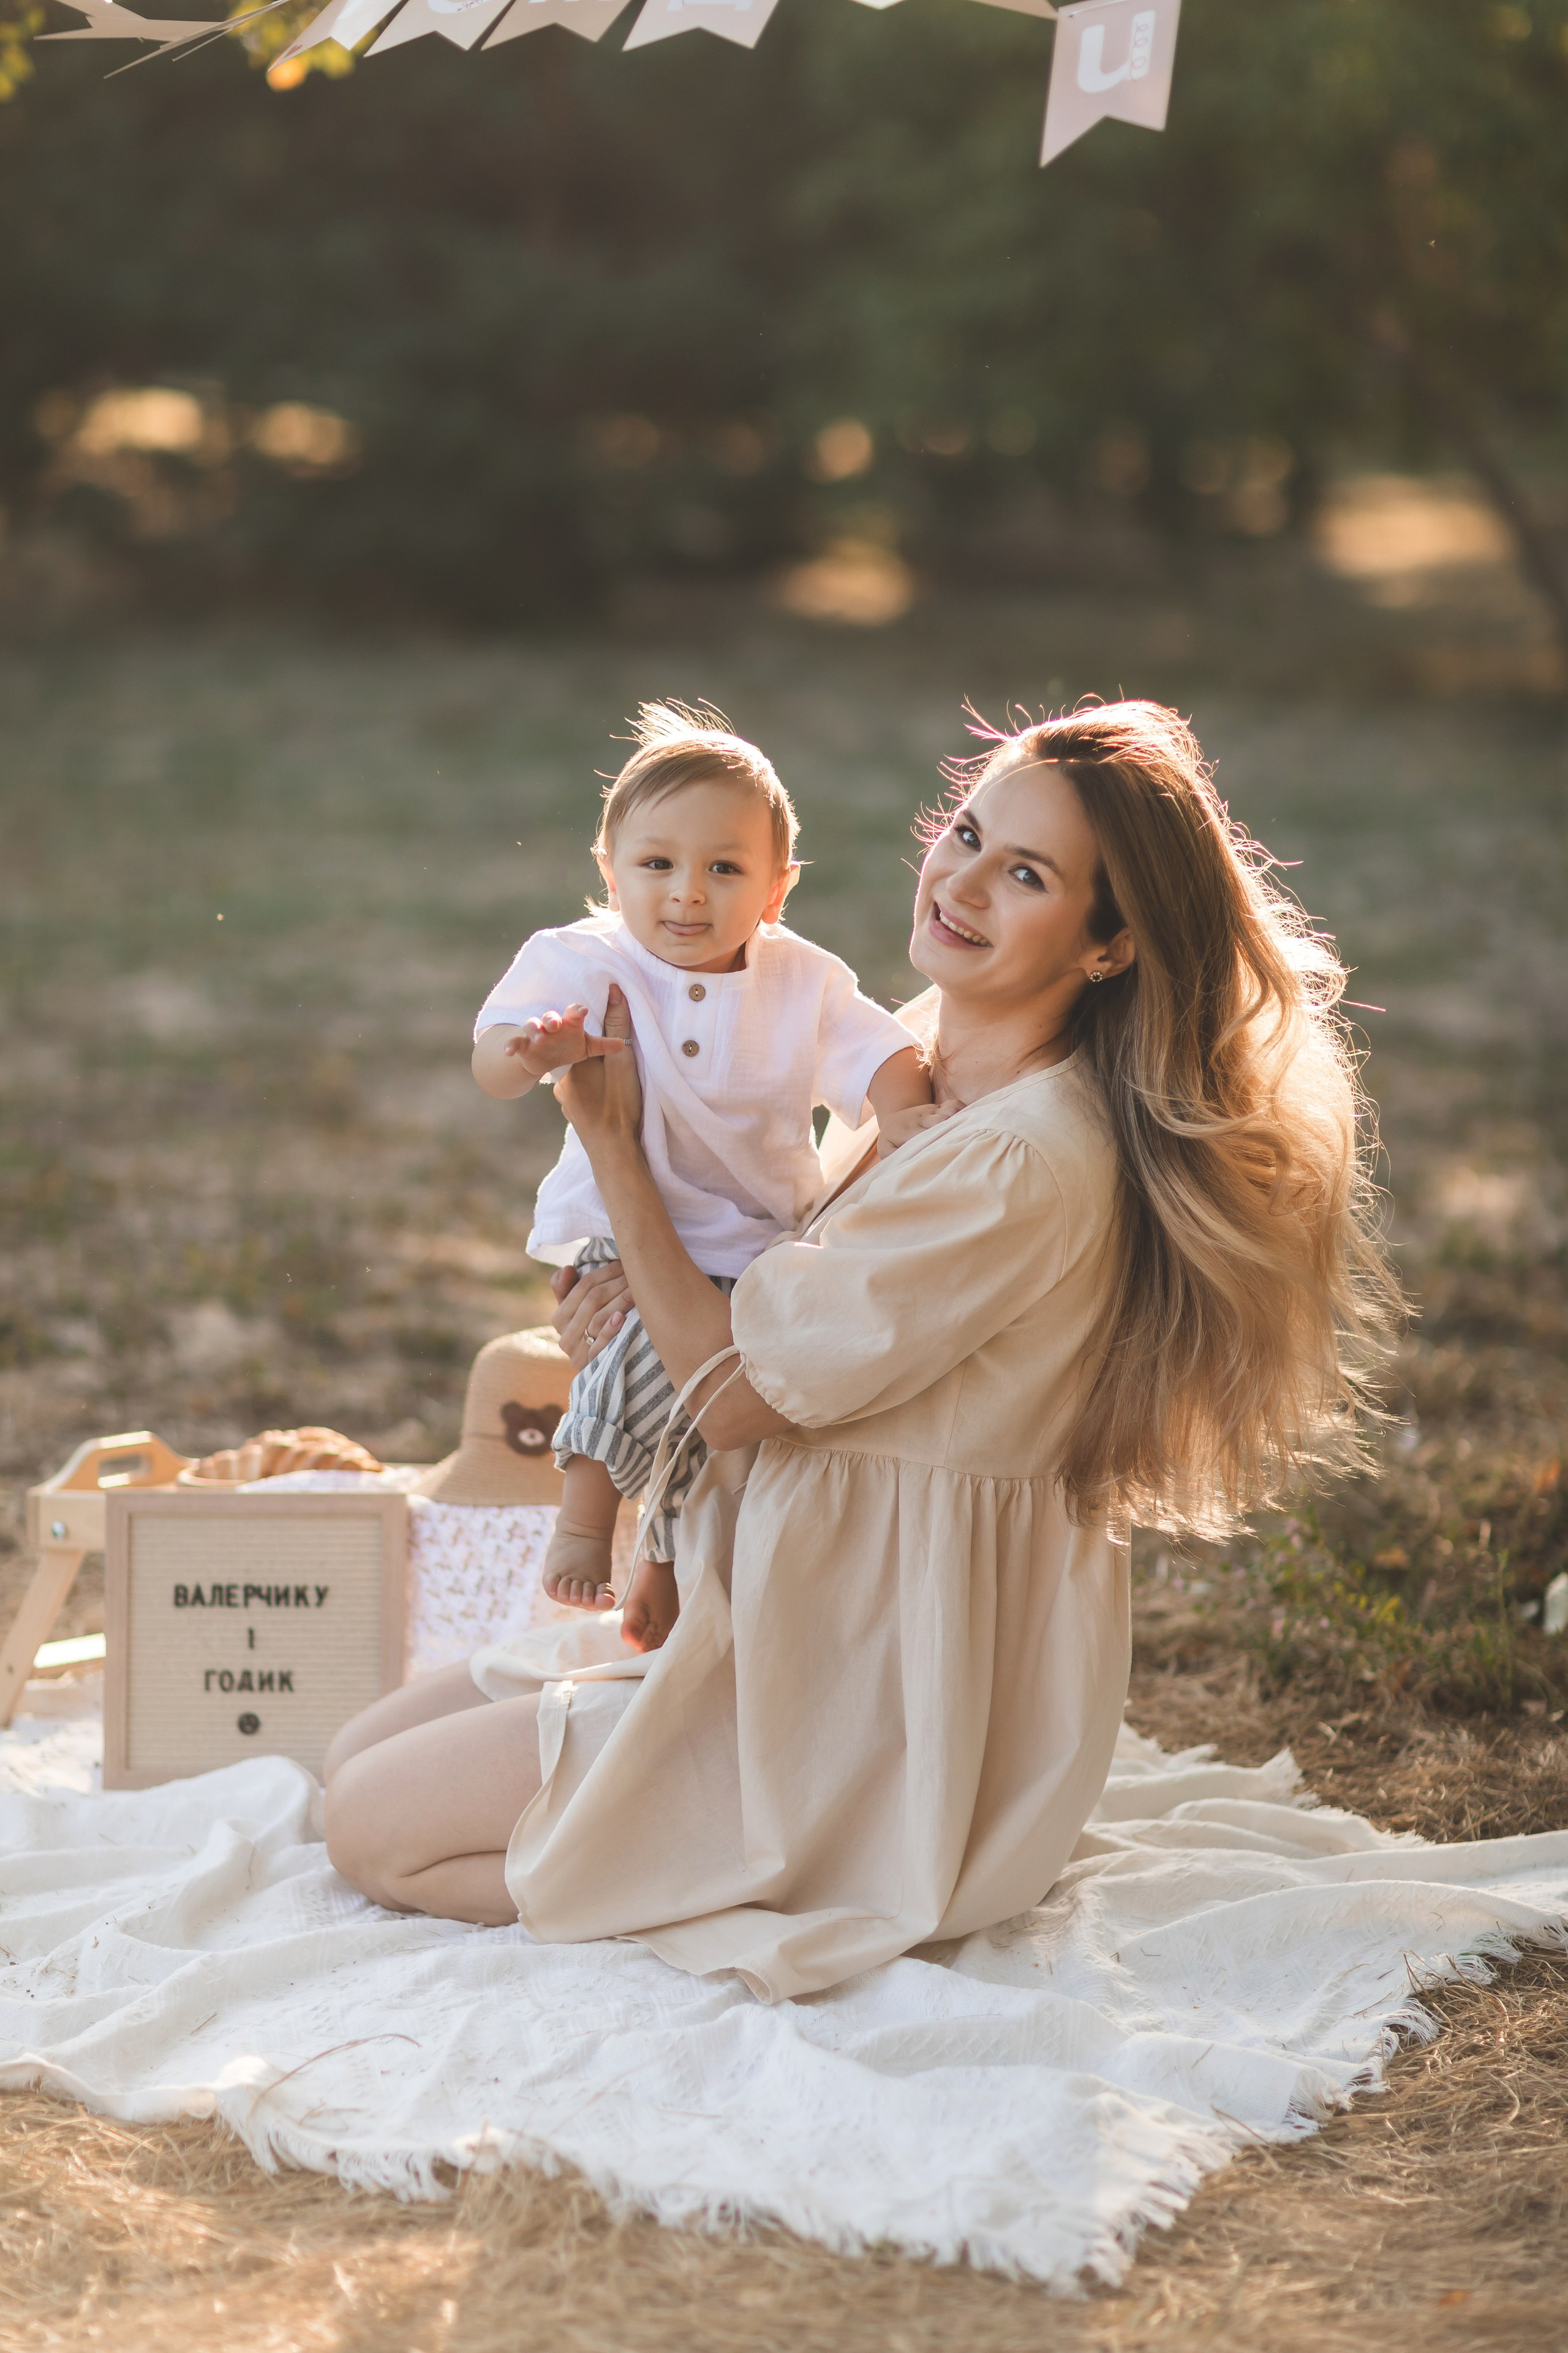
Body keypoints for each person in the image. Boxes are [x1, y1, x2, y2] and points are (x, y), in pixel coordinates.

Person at [325, 700, 1397, 2003]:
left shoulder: (1021, 1157)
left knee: (369, 1827)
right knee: (356, 1753)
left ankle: (757, 1861)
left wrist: (613, 1149)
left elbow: (730, 1395)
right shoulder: (919, 1061)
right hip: (762, 1579)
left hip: (857, 1663)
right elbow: (739, 1312)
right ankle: (644, 1820)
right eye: (965, 832)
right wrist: (608, 1294)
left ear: (1109, 944)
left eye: (1026, 875)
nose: (958, 881)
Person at [470, 703, 933, 1652]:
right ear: (609, 872)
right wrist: (529, 1051)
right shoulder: (583, 959)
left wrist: (906, 1110)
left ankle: (667, 1555)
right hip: (624, 1223)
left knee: (720, 1420)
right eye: (656, 865)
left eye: (725, 868)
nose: (687, 893)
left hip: (758, 1240)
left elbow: (881, 1053)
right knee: (628, 1353)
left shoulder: (802, 980)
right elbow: (487, 1063)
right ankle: (587, 1519)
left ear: (776, 888)